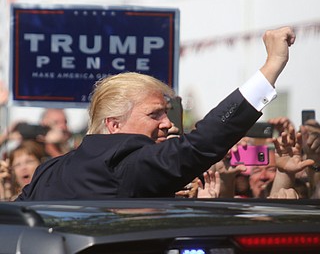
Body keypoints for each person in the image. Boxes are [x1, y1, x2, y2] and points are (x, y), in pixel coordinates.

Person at [16, 26, 296, 201]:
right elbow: (202, 144)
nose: (167, 124)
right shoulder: (125, 163)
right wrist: (272, 66)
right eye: (155, 115)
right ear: (114, 124)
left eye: (166, 113)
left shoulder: (49, 171)